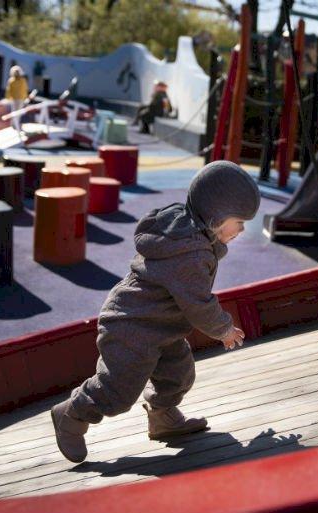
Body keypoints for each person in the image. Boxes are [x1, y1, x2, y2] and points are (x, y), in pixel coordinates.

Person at [51, 160, 261, 464]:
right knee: (118, 392)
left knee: (179, 375)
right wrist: (224, 329)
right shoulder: (190, 252)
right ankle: (71, 413)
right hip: (131, 326)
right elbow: (198, 303)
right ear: (215, 216)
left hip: (162, 328)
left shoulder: (193, 231)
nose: (242, 230)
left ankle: (163, 419)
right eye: (239, 221)